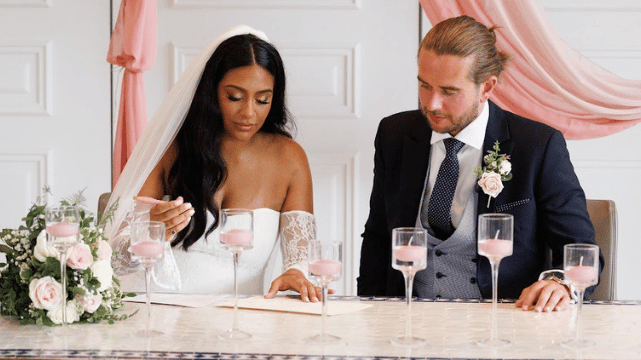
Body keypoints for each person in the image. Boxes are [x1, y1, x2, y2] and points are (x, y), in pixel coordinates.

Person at [357, 15, 603, 312]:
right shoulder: (394, 134)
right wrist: (367, 312)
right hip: (409, 320)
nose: (432, 104)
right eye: (424, 85)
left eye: (449, 91)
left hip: (506, 322)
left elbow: (580, 249)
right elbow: (378, 235)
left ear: (486, 87)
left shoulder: (537, 145)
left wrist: (560, 283)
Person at [106, 25, 322, 302]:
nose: (248, 113)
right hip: (156, 309)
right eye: (234, 97)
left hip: (237, 326)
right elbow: (112, 260)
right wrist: (148, 232)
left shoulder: (290, 158)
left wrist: (296, 274)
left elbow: (299, 261)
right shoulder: (171, 148)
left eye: (262, 99)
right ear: (211, 91)